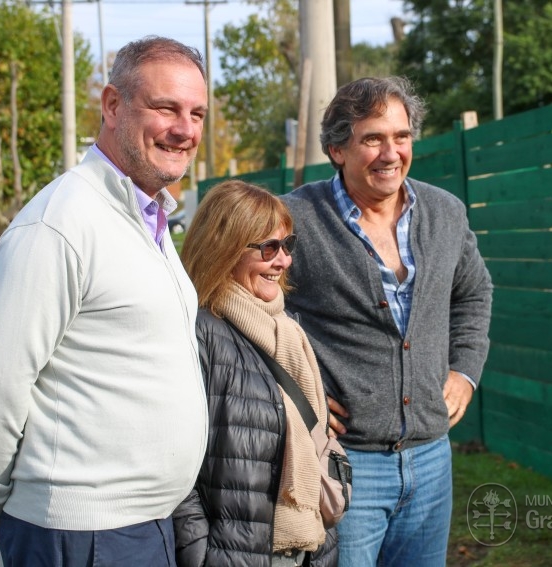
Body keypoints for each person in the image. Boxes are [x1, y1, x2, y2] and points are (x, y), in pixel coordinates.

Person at [0, 36, 209, 566]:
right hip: (84, 533)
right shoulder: (60, 224)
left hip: (144, 523)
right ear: (113, 106)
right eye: (166, 108)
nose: (185, 129)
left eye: (196, 113)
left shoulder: (146, 218)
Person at [281, 76, 493, 567]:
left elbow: (474, 292)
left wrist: (465, 370)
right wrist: (295, 394)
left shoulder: (444, 212)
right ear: (337, 149)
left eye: (401, 136)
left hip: (430, 457)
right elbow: (247, 313)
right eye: (372, 138)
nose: (390, 153)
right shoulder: (295, 219)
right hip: (343, 462)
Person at [172, 179, 338, 567]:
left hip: (307, 547)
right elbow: (175, 464)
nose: (284, 261)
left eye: (287, 245)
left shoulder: (287, 330)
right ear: (224, 249)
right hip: (234, 557)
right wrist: (202, 554)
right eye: (269, 248)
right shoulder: (199, 333)